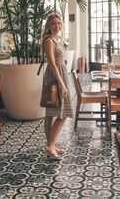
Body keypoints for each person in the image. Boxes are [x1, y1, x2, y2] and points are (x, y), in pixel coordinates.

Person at [40, 13, 73, 160]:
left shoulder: (54, 39)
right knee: (63, 113)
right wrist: (62, 85)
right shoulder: (48, 40)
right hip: (55, 77)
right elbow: (52, 64)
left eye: (59, 23)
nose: (57, 26)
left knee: (51, 114)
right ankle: (50, 145)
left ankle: (50, 145)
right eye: (53, 23)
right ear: (48, 25)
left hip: (59, 75)